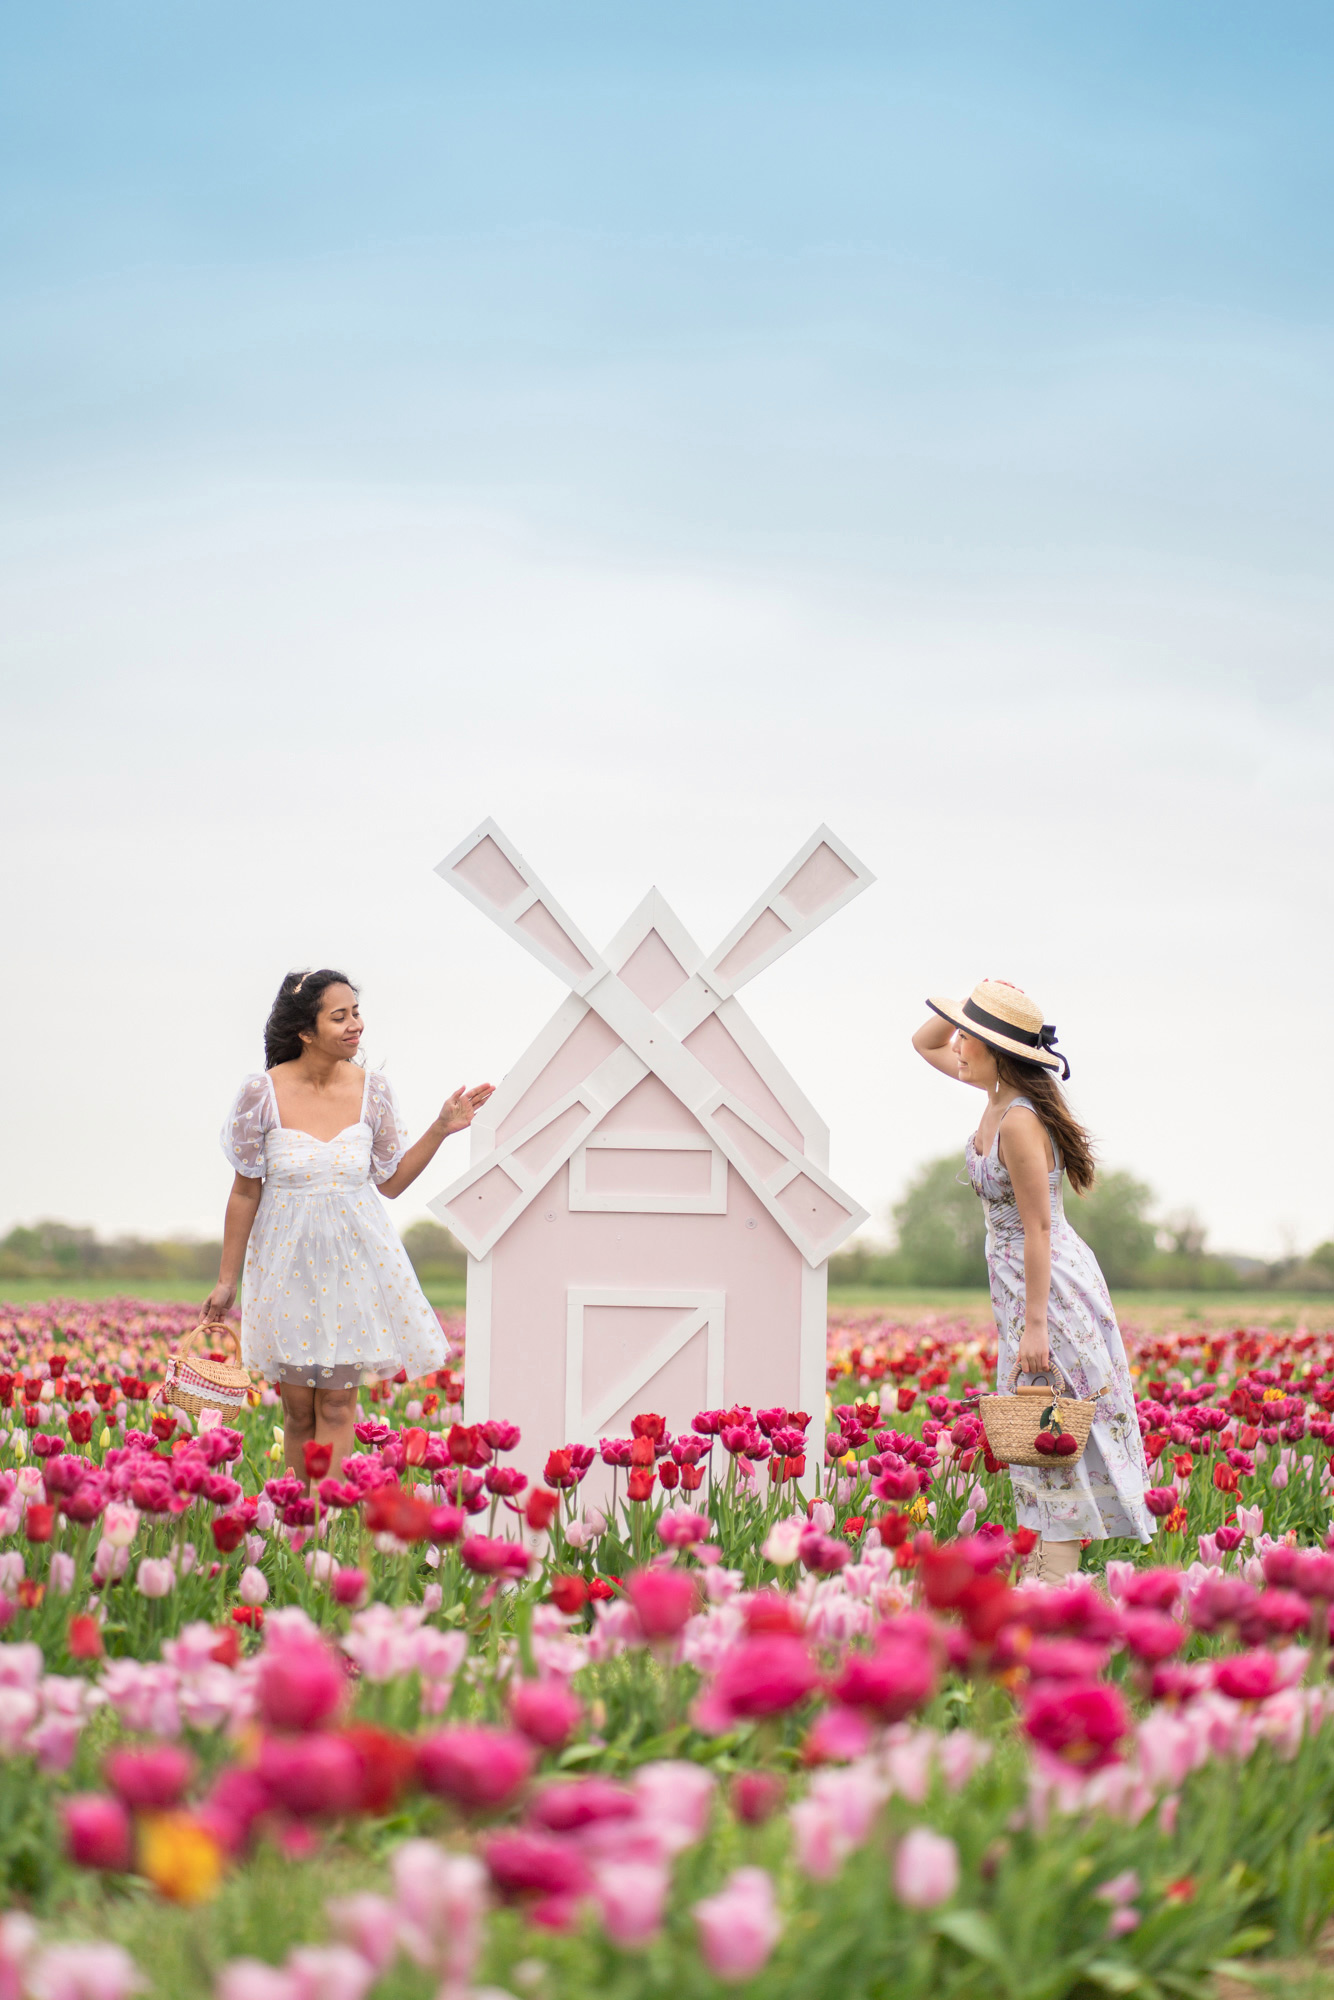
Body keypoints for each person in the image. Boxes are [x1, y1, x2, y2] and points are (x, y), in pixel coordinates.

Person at [202, 968, 493, 1478]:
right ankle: (299, 1520)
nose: (356, 1025)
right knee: (296, 1411)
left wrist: (442, 1127)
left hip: (353, 1267)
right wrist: (227, 1282)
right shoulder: (261, 1093)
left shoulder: (372, 1090)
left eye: (356, 1012)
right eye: (340, 1016)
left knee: (336, 1407)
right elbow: (245, 1190)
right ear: (305, 1031)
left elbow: (391, 1181)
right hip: (284, 1266)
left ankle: (328, 1524)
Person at [912, 979, 1151, 1581]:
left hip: (1049, 1288)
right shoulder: (991, 1095)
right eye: (964, 1035)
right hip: (1019, 1288)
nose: (959, 1044)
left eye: (972, 1037)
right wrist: (966, 1007)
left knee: (1052, 1426)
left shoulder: (1019, 1121)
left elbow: (1039, 1229)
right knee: (1035, 1429)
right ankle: (1051, 1577)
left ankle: (1053, 1582)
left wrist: (1036, 1325)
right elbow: (924, 1041)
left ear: (997, 1051)